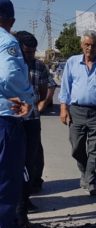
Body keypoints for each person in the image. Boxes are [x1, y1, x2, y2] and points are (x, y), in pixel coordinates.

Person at [59, 30, 96, 197]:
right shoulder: (72, 63)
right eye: (86, 44)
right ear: (81, 45)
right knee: (76, 148)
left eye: (93, 45)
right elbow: (65, 88)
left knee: (95, 150)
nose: (89, 48)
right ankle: (85, 171)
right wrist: (63, 108)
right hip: (76, 111)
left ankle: (91, 181)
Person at [0, 0, 38, 228]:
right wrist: (28, 98)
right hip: (6, 117)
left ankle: (12, 225)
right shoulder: (6, 40)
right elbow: (9, 74)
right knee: (7, 174)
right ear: (10, 19)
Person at [14, 31, 51, 201]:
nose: (30, 55)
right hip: (13, 121)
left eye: (33, 52)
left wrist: (42, 103)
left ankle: (28, 194)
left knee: (33, 157)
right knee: (14, 159)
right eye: (27, 52)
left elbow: (46, 89)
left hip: (32, 119)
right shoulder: (10, 66)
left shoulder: (39, 66)